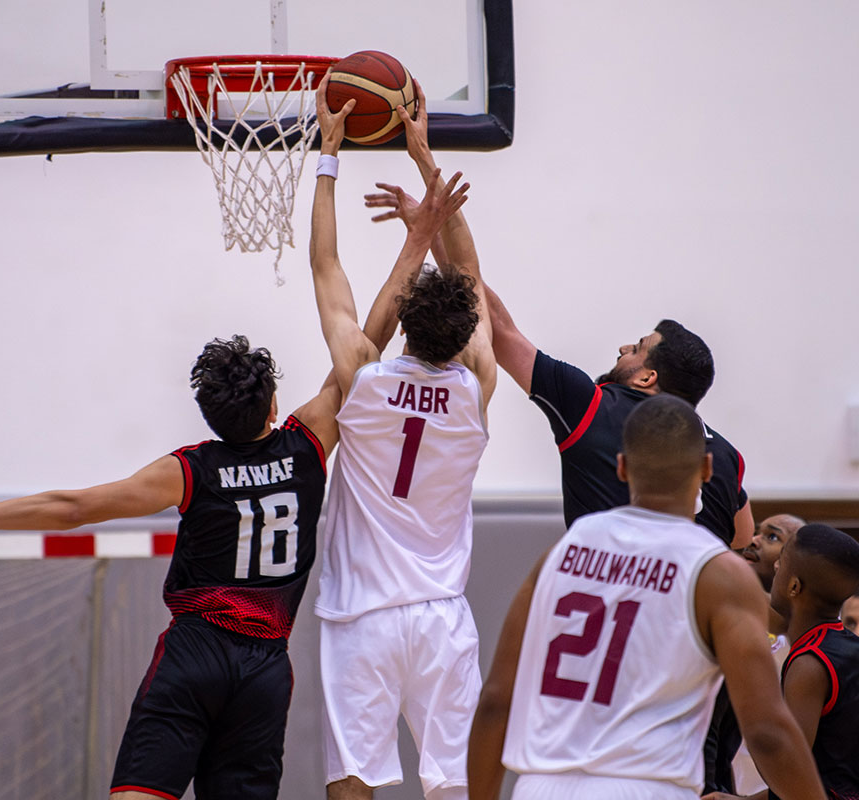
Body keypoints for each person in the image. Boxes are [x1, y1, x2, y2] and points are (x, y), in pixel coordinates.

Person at [0, 335, 342, 800]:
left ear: (209, 414)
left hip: (196, 653)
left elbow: (70, 509)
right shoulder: (307, 446)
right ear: (273, 403)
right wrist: (405, 263)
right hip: (264, 668)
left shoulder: (190, 469)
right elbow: (358, 354)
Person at [467, 395, 824, 800]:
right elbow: (767, 733)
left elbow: (496, 701)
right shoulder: (718, 572)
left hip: (540, 786)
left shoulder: (562, 552)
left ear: (621, 467)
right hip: (647, 786)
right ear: (707, 470)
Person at [309, 74, 496, 800]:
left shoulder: (362, 377)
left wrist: (328, 157)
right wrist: (428, 166)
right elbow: (471, 275)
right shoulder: (477, 392)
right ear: (463, 334)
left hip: (364, 616)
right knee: (455, 786)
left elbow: (327, 269)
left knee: (354, 781)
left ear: (407, 325)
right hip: (443, 617)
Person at [485, 288, 753, 550]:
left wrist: (450, 252)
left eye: (637, 349)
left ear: (647, 378)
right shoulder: (728, 456)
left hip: (608, 585)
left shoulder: (595, 407)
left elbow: (500, 332)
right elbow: (742, 536)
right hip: (697, 591)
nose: (623, 348)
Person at [704, 523, 859, 800]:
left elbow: (785, 769)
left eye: (781, 561)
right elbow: (820, 777)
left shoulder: (809, 664)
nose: (775, 567)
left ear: (794, 586)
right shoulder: (845, 646)